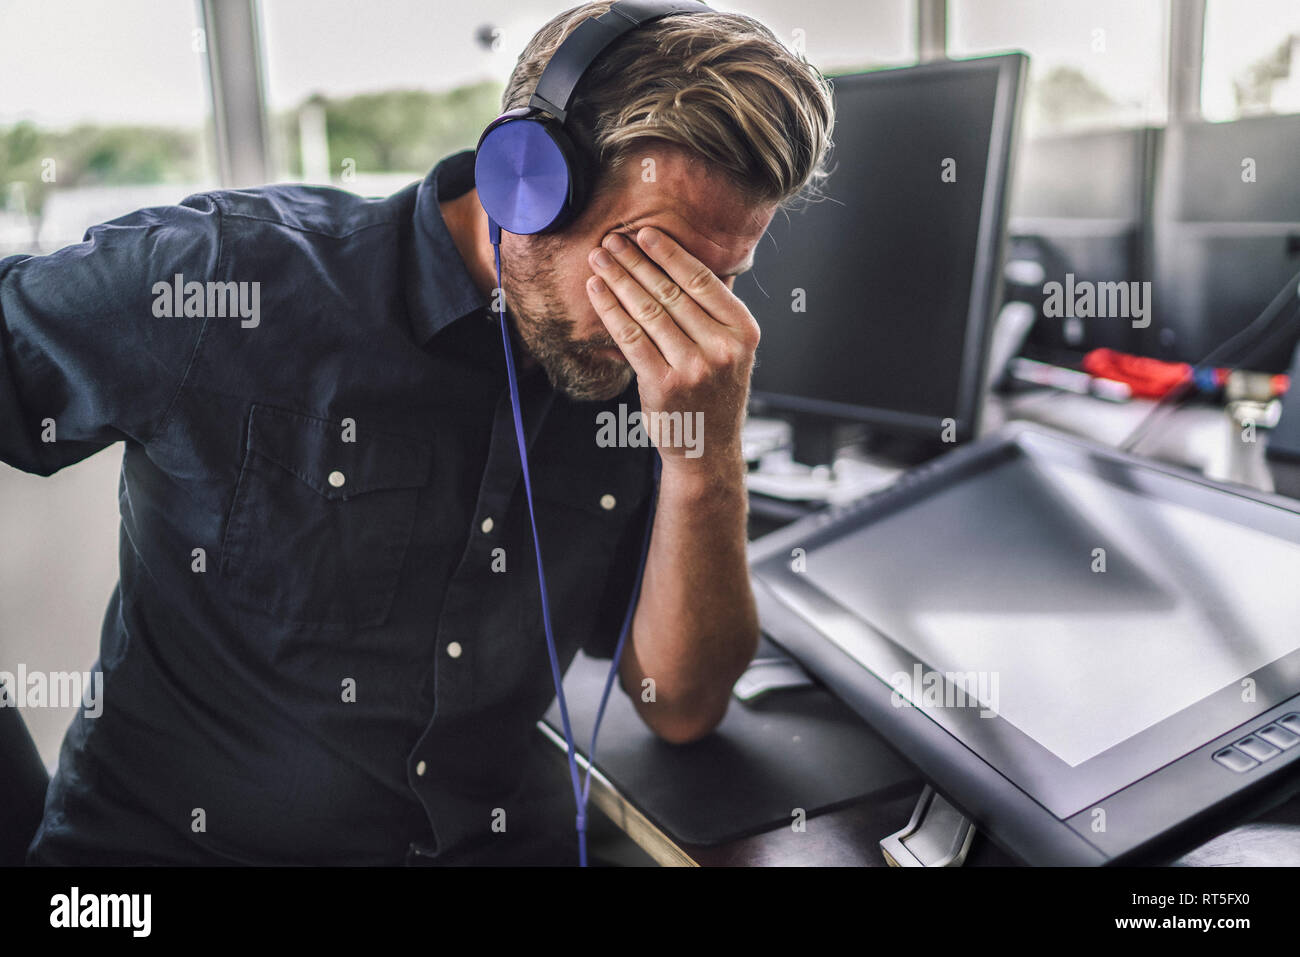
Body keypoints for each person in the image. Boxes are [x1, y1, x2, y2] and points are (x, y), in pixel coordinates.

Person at [4, 1, 833, 865]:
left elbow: (680, 703)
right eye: (650, 260)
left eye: (720, 277)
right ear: (527, 177)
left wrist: (706, 460)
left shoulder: (660, 382)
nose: (664, 320)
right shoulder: (224, 282)